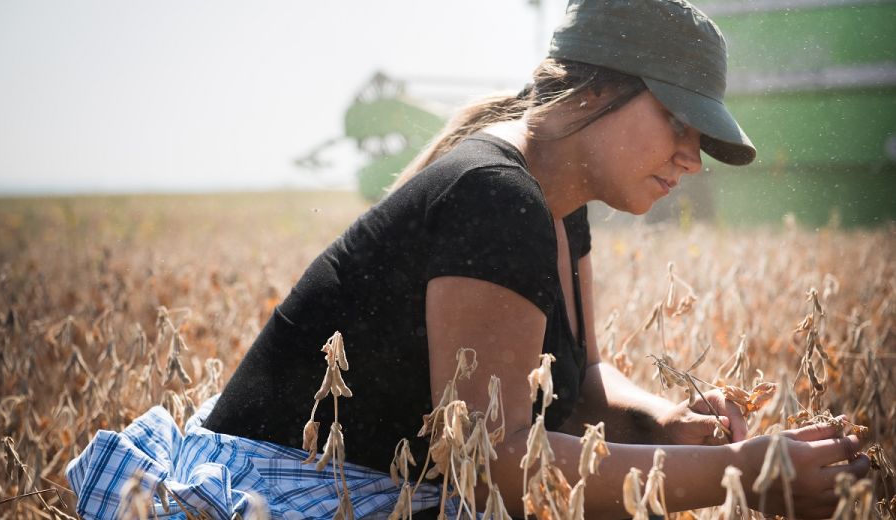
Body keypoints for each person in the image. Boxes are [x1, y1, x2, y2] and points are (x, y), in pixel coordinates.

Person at [67, 0, 870, 518]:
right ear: (595, 93)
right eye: (679, 124)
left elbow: (580, 381)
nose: (692, 158)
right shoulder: (496, 197)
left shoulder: (556, 203)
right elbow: (500, 467)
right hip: (278, 496)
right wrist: (746, 471)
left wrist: (666, 425)